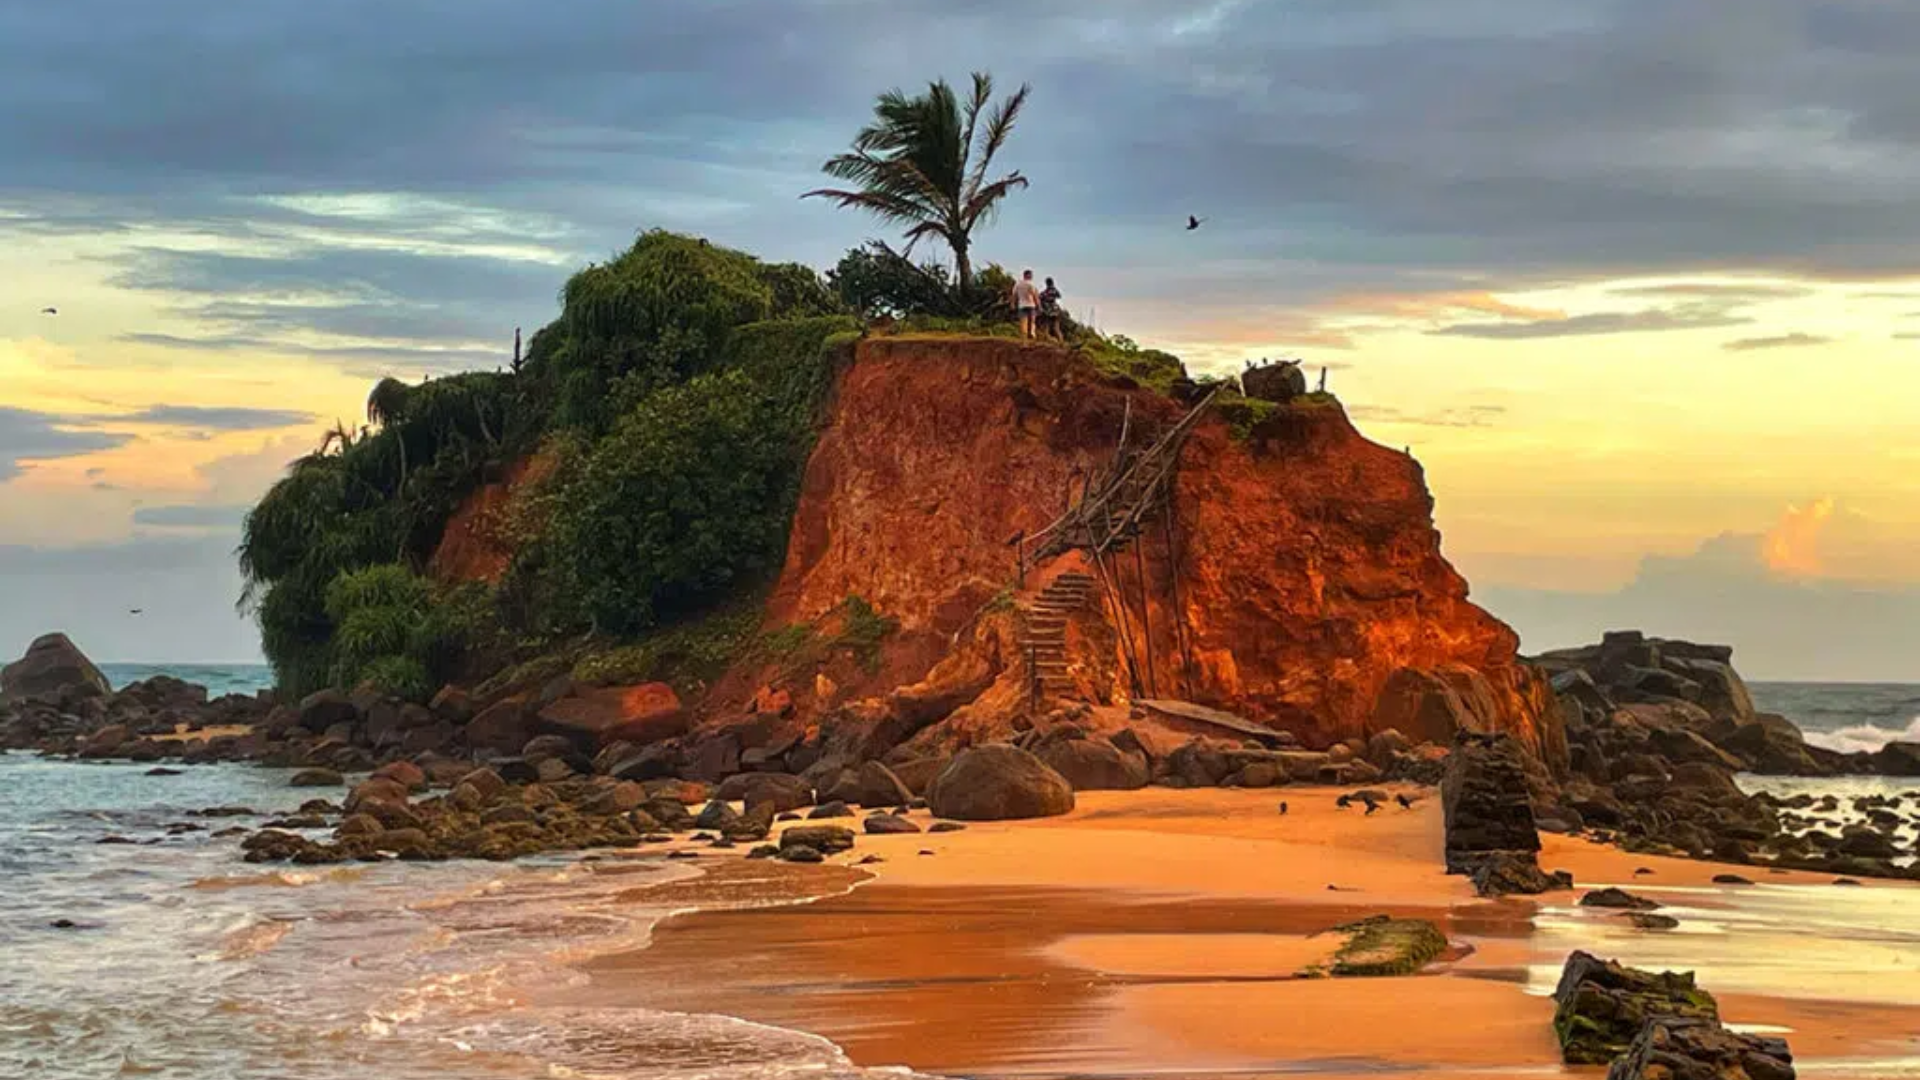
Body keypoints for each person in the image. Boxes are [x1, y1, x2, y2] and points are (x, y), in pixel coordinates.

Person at [1011, 269, 1041, 338]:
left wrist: (1012, 304)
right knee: (1032, 321)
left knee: (1023, 322)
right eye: (1031, 275)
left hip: (1021, 305)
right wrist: (1039, 306)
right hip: (1031, 305)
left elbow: (1014, 295)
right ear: (1028, 275)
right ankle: (1031, 333)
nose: (1032, 277)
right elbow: (1035, 296)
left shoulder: (1017, 284)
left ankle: (1024, 338)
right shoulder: (1031, 284)